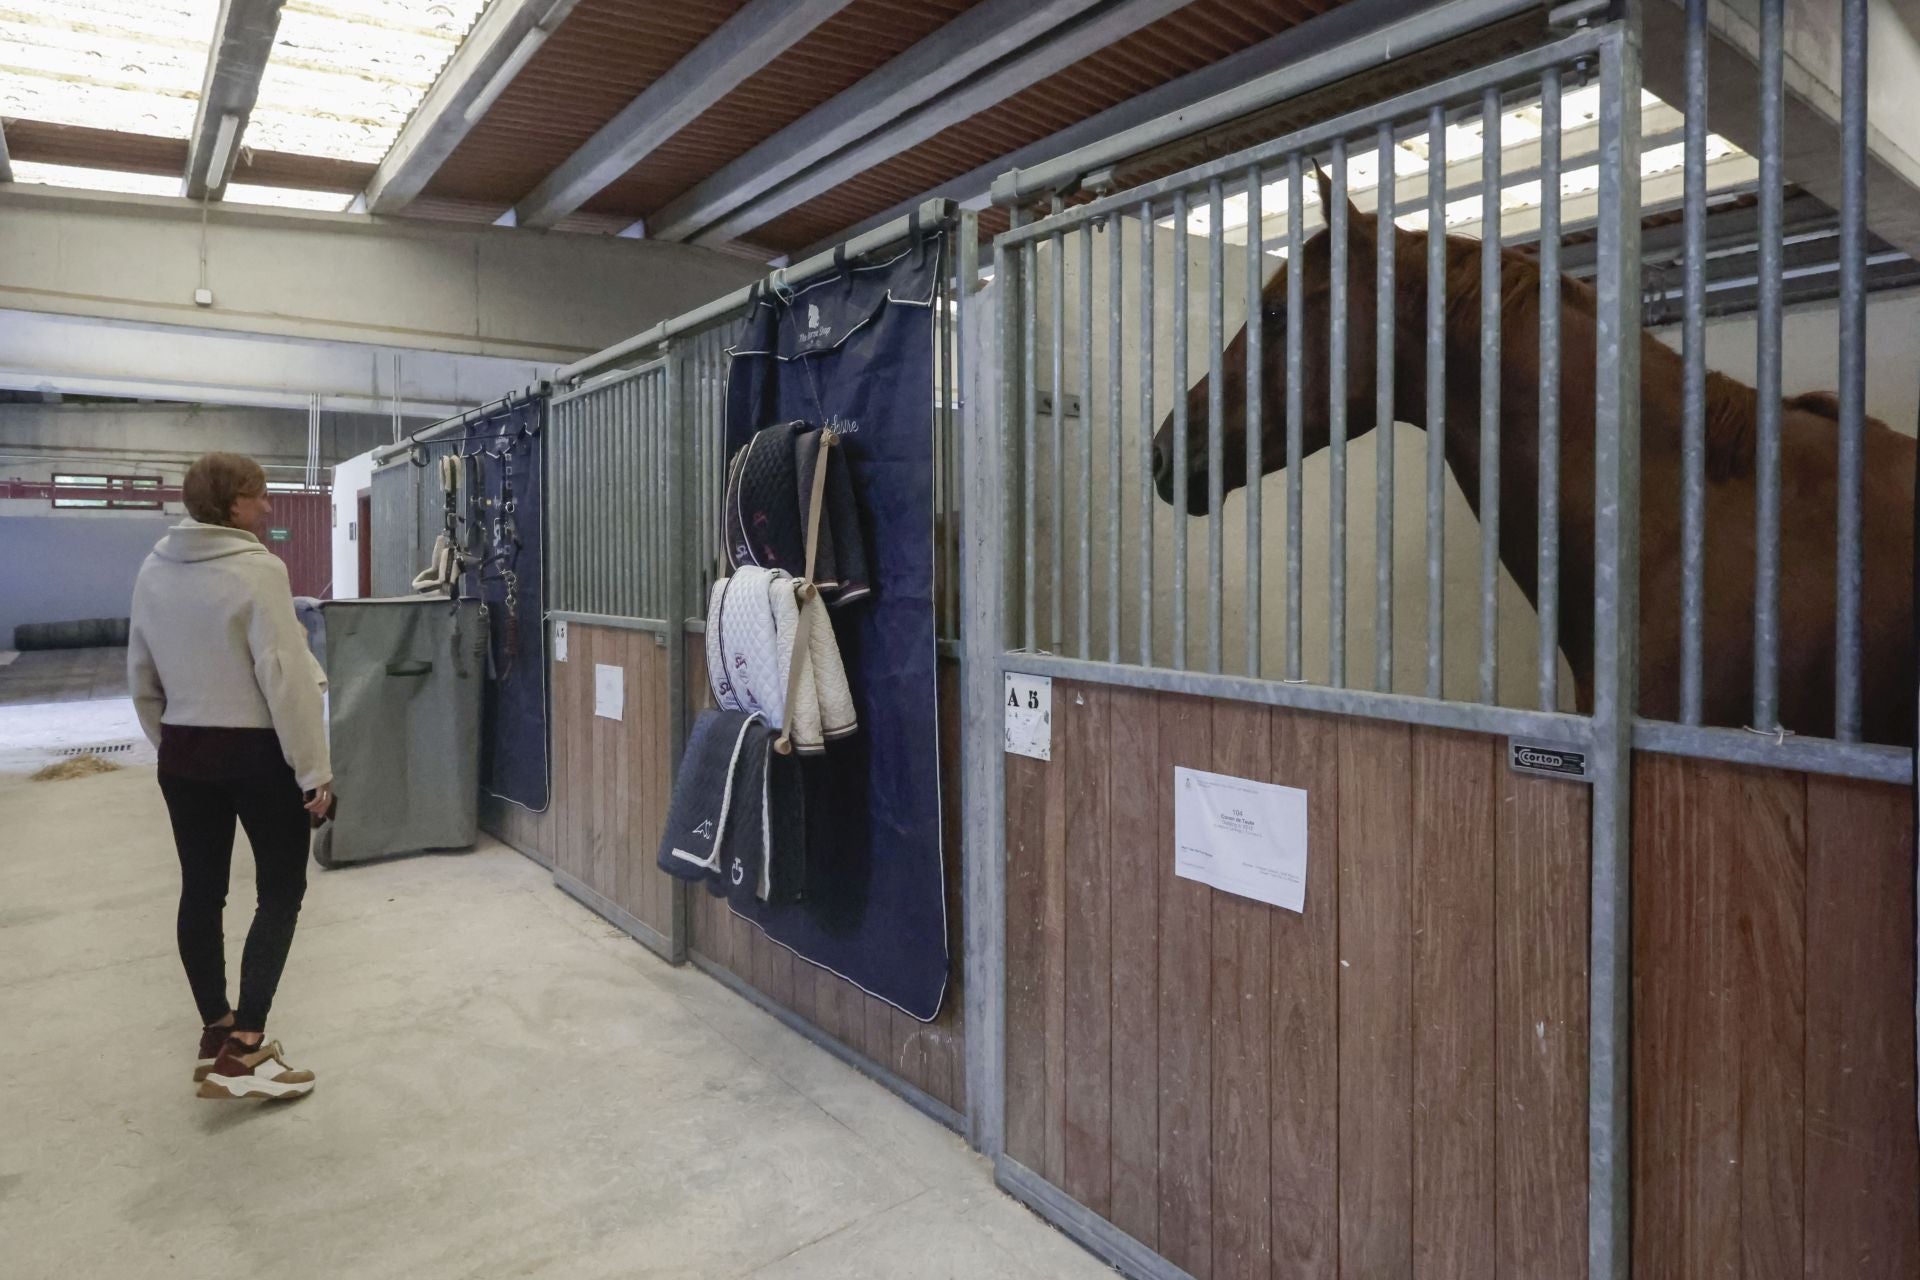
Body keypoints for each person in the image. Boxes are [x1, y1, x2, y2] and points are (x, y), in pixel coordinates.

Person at [129, 453, 330, 1100]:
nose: (267, 507)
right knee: (279, 893)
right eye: (258, 496)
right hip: (255, 756)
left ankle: (215, 1033)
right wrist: (314, 771)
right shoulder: (258, 570)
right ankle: (246, 1051)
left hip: (184, 754)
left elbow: (141, 675)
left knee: (202, 891)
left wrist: (176, 743)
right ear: (231, 504)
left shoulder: (153, 568)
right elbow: (287, 677)